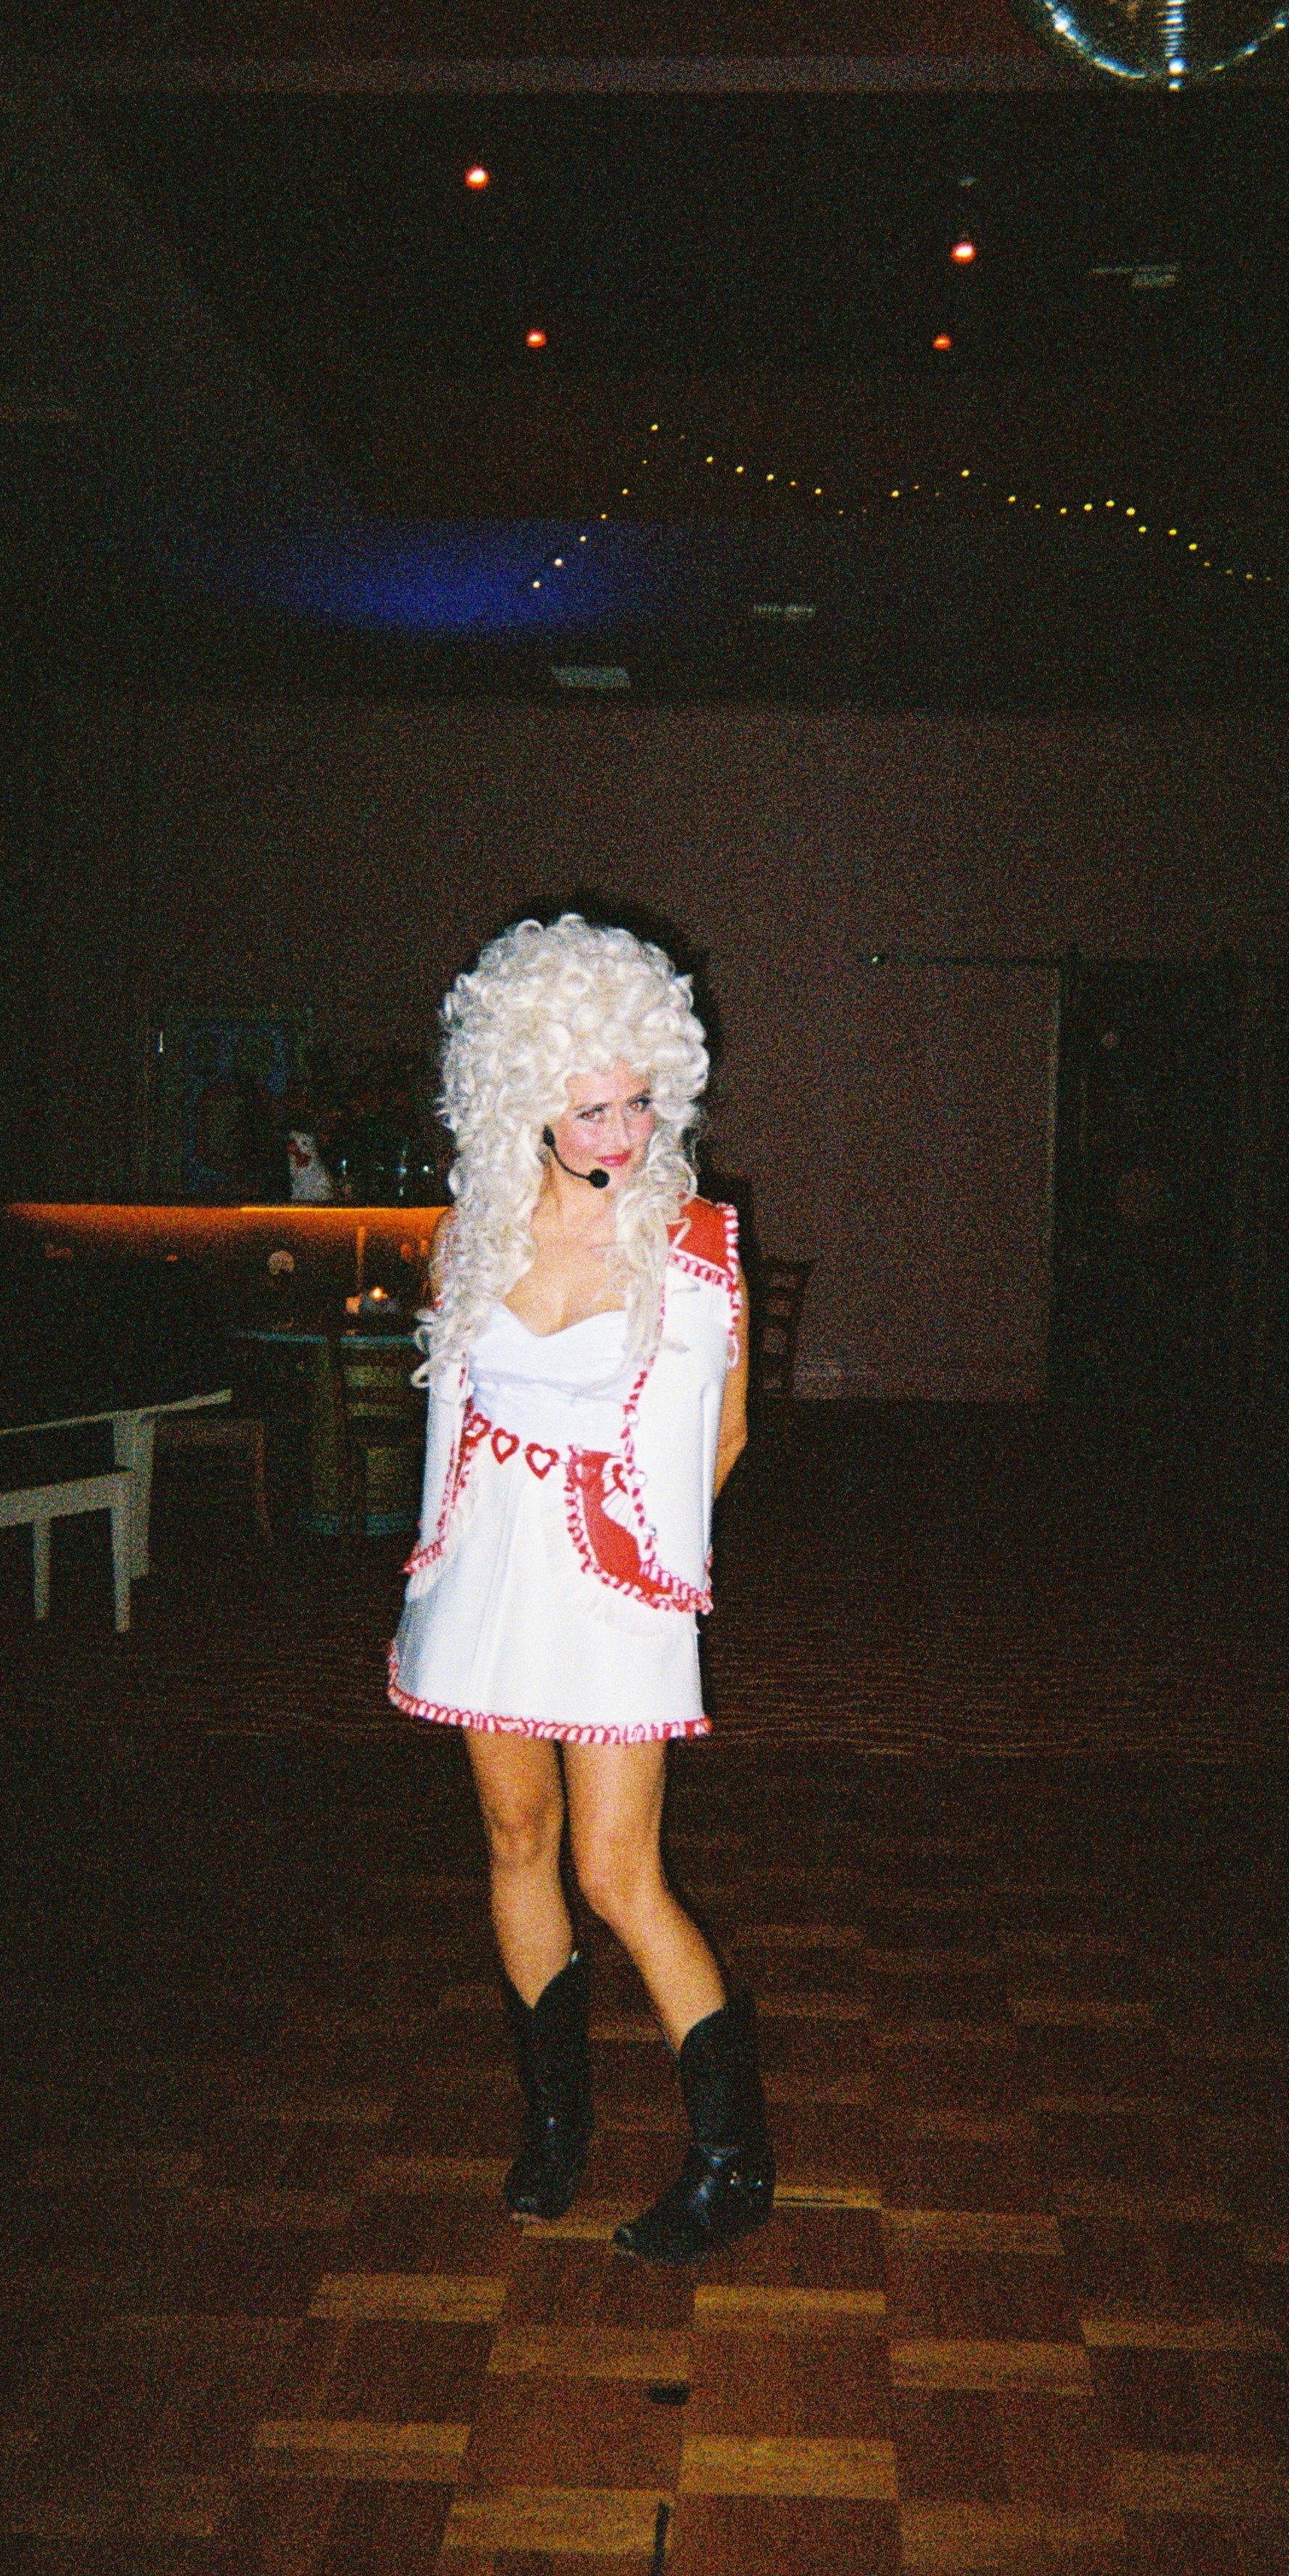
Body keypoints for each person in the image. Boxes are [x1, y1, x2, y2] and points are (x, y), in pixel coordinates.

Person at [388, 914, 771, 2262]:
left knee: (619, 1870)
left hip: (613, 1589)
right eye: (589, 1105)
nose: (620, 1132)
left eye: (638, 1099)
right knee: (512, 1839)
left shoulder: (695, 1242)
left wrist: (638, 1569)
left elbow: (717, 1439)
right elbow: (453, 1410)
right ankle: (555, 2125)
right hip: (493, 1576)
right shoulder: (473, 1235)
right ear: (521, 1098)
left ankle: (733, 2159)